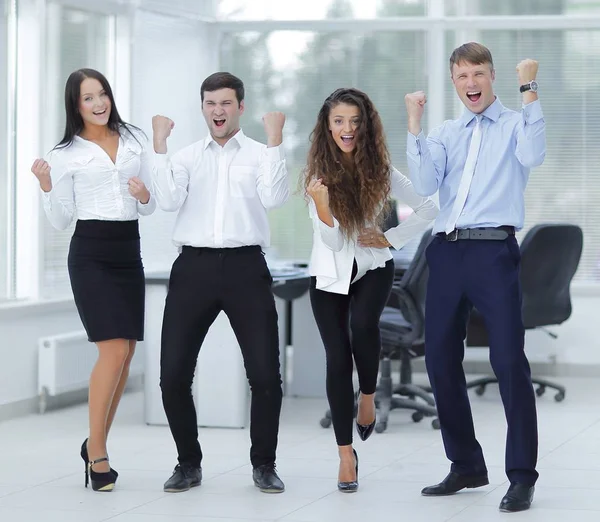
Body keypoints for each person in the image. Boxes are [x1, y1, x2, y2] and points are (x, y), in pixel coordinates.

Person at [404, 42, 545, 512]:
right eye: (462, 76)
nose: (471, 83)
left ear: (492, 76)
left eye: (479, 73)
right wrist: (415, 127)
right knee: (440, 360)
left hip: (492, 252)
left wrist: (530, 90)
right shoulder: (446, 132)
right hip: (445, 252)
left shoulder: (514, 123)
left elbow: (535, 154)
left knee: (508, 362)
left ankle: (521, 476)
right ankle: (465, 465)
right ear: (454, 81)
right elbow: (425, 184)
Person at [151, 72, 288, 494]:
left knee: (265, 375)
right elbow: (168, 201)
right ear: (203, 107)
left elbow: (275, 197)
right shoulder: (188, 156)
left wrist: (277, 139)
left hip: (247, 268)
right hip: (192, 269)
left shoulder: (261, 153)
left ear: (240, 107)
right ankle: (188, 463)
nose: (218, 111)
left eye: (226, 103)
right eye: (211, 103)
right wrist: (160, 146)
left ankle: (264, 464)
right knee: (173, 375)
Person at [303, 88, 438, 492]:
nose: (347, 129)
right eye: (339, 121)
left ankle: (368, 395)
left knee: (364, 327)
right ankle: (346, 455)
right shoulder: (317, 176)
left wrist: (391, 238)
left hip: (374, 267)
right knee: (336, 357)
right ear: (327, 127)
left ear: (365, 126)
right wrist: (323, 207)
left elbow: (431, 207)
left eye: (354, 121)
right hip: (328, 274)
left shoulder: (381, 170)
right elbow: (330, 243)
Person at [30, 68, 156, 492]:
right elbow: (62, 218)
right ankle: (98, 452)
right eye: (88, 98)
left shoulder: (135, 139)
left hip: (128, 250)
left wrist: (143, 197)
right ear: (75, 105)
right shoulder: (64, 153)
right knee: (113, 349)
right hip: (90, 254)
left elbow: (149, 205)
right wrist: (47, 185)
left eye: (102, 94)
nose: (99, 103)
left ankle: (95, 443)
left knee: (126, 354)